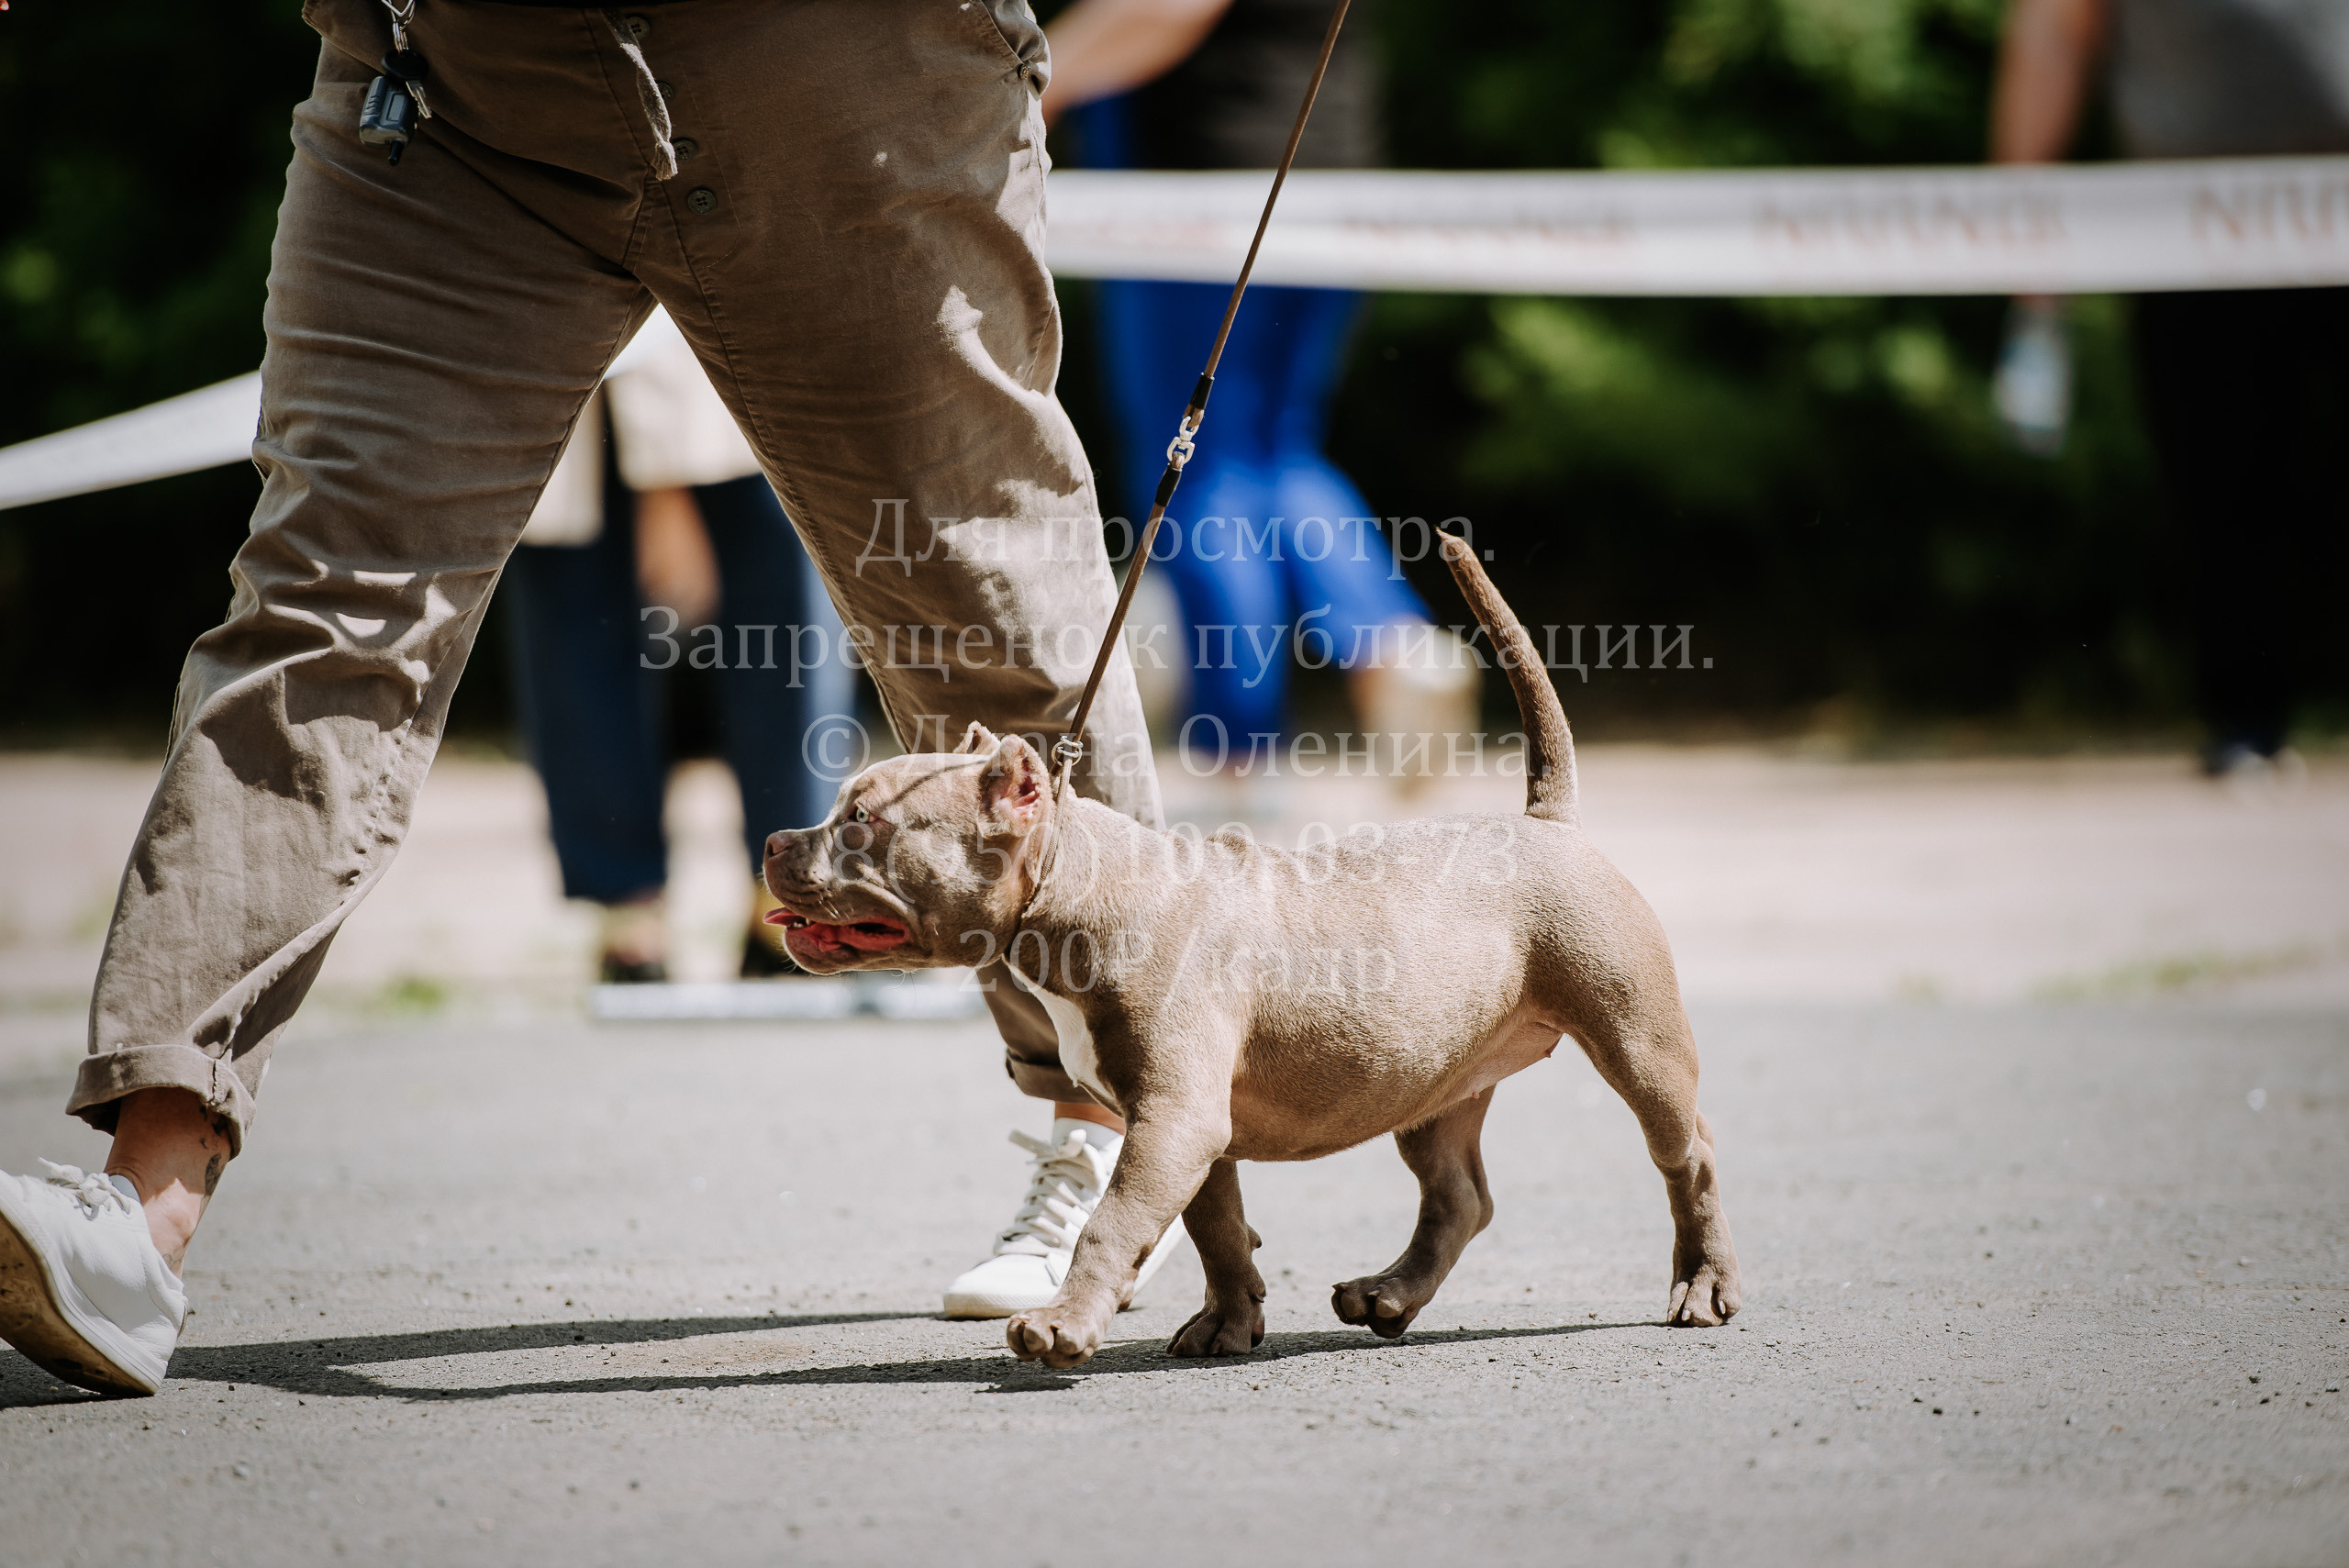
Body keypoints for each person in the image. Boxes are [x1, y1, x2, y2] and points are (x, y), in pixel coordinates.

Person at [0, 0, 1163, 1396]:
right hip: (453, 91)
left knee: (982, 609)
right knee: (325, 612)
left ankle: (1128, 1138)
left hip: (835, 72)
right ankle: (138, 1215)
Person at [1034, 0, 1475, 801]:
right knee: (1276, 451)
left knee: (1201, 472)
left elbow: (1165, 7)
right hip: (1336, 180)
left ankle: (1240, 761)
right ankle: (1394, 645)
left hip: (1206, 200)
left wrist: (1035, 79)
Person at [1993, 0, 2349, 775]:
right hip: (2183, 224)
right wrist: (2025, 227)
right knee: (2222, 485)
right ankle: (2246, 727)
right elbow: (2055, 29)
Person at [505, 310, 852, 983]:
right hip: (546, 311)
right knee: (572, 574)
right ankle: (625, 898)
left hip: (722, 309)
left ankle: (789, 888)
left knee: (778, 580)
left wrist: (664, 479)